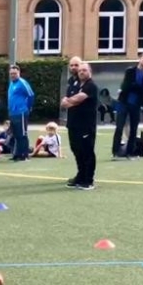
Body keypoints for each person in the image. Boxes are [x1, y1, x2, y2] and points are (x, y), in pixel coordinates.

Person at [61, 62, 99, 190]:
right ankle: (80, 175)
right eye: (80, 70)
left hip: (86, 125)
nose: (81, 72)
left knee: (87, 152)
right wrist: (70, 101)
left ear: (90, 72)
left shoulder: (91, 86)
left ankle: (88, 180)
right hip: (73, 124)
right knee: (76, 150)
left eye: (84, 70)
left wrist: (70, 101)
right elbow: (65, 102)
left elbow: (77, 99)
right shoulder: (75, 84)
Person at [113, 54, 143, 159]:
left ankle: (130, 153)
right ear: (140, 59)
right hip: (124, 103)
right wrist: (141, 87)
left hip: (136, 105)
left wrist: (137, 86)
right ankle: (115, 152)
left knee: (133, 129)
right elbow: (127, 85)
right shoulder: (130, 71)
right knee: (119, 127)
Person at [7, 64, 35, 161]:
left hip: (21, 112)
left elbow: (31, 95)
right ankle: (16, 154)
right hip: (13, 113)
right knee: (15, 134)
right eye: (11, 74)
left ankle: (24, 155)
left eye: (15, 73)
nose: (13, 75)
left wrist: (28, 107)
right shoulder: (11, 84)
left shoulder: (22, 83)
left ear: (19, 73)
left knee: (22, 134)